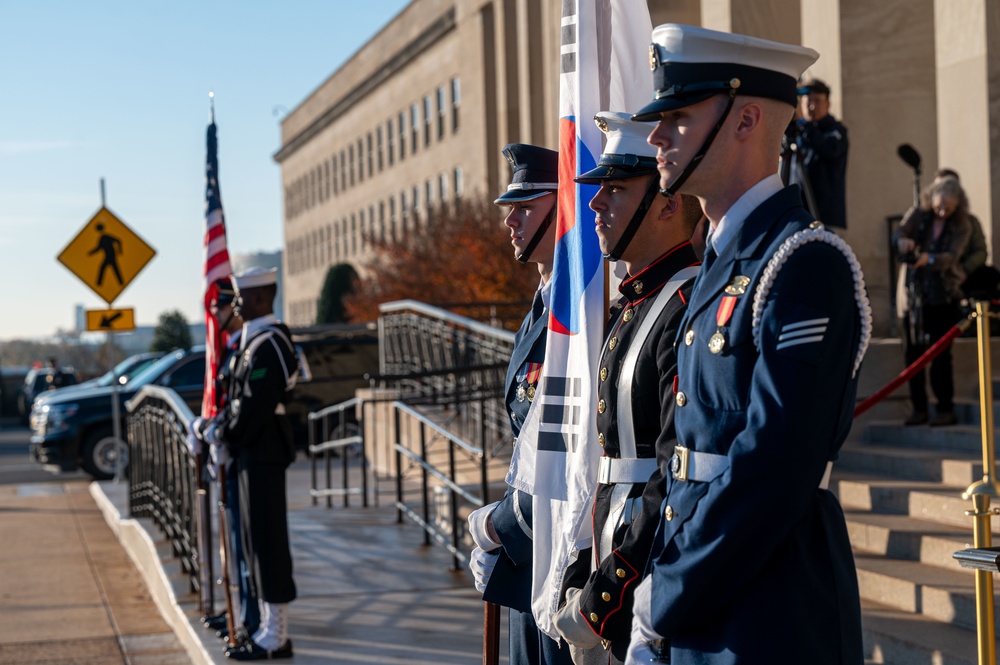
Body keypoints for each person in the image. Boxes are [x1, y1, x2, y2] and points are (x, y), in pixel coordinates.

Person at [624, 25, 871, 664]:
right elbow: (681, 446)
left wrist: (668, 595)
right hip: (704, 593)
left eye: (677, 117)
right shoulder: (719, 259)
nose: (655, 135)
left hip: (767, 609)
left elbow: (773, 466)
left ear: (746, 119)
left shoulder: (802, 259)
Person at [552, 112, 701, 665]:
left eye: (615, 189)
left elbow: (671, 470)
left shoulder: (686, 305)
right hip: (612, 555)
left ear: (666, 203)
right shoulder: (634, 304)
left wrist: (606, 595)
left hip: (646, 573)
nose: (594, 204)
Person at [466, 144, 573, 665]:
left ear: (565, 207)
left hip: (559, 551)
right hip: (531, 549)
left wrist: (504, 531)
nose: (510, 219)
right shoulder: (543, 307)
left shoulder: (582, 315)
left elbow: (565, 457)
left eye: (526, 206)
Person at [201, 267, 299, 660]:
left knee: (267, 543)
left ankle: (276, 635)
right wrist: (218, 430)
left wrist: (222, 433)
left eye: (241, 296)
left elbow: (253, 405)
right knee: (254, 544)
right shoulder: (252, 342)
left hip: (264, 453)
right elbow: (239, 400)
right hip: (250, 452)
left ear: (260, 298)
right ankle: (263, 626)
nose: (236, 304)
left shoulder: (269, 343)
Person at [195, 279, 261, 646]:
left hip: (243, 455)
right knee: (235, 543)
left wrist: (223, 433)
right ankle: (241, 613)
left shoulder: (249, 347)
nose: (218, 316)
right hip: (231, 455)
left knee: (246, 546)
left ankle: (249, 619)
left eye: (219, 308)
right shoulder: (235, 348)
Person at [894, 176, 972, 427]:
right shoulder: (919, 214)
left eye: (947, 208)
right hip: (914, 297)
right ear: (931, 199)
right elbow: (900, 230)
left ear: (957, 206)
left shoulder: (962, 225)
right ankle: (919, 408)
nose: (941, 211)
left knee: (940, 356)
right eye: (939, 206)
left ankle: (944, 408)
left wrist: (928, 259)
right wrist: (902, 241)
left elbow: (952, 256)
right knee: (912, 354)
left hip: (943, 297)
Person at [791, 78, 849, 228]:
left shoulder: (836, 131)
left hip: (826, 216)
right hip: (799, 214)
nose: (812, 107)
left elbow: (829, 149)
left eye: (817, 101)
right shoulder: (799, 133)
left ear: (828, 104)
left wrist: (806, 126)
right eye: (808, 101)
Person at [934, 169, 997, 297]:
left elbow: (980, 251)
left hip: (962, 271)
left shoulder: (970, 222)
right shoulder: (927, 221)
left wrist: (964, 270)